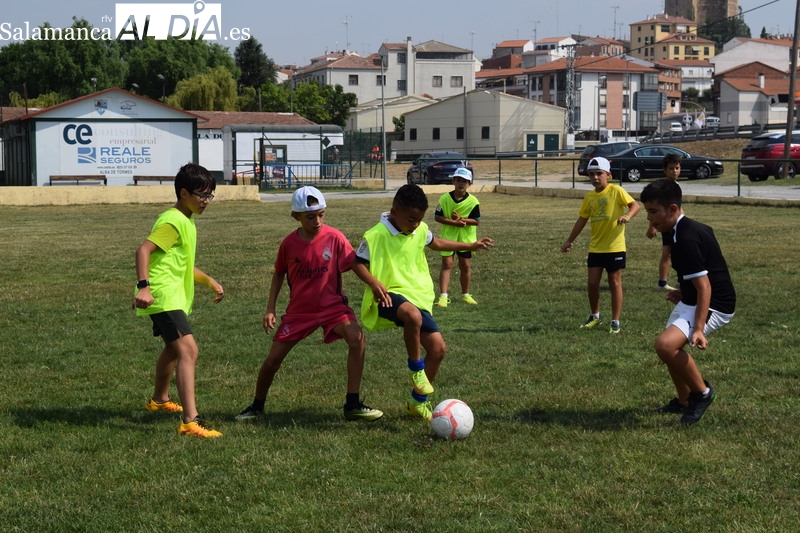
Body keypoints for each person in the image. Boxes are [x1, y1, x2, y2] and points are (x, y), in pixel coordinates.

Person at [236, 186, 383, 422]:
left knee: (357, 338)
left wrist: (374, 283)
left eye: (321, 215)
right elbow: (279, 273)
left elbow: (355, 264)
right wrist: (270, 309)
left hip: (333, 308)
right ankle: (256, 406)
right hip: (300, 313)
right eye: (310, 217)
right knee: (272, 361)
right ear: (296, 216)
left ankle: (352, 404)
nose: (317, 221)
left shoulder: (335, 237)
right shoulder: (288, 244)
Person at [351, 184, 494, 420]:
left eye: (419, 219)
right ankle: (416, 369)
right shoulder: (375, 235)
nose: (416, 224)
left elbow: (437, 243)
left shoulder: (420, 229)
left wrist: (470, 245)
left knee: (438, 350)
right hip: (387, 294)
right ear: (394, 211)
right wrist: (374, 283)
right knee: (412, 316)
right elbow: (356, 263)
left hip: (417, 296)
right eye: (411, 219)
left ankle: (417, 403)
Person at [134, 163, 225, 438]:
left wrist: (208, 281)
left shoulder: (186, 220)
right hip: (162, 297)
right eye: (202, 195)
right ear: (183, 193)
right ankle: (190, 421)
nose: (206, 201)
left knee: (174, 349)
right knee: (189, 351)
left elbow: (181, 264)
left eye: (209, 196)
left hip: (171, 297)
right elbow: (143, 250)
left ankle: (159, 400)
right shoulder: (173, 221)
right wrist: (144, 288)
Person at [640, 179, 735, 425]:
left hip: (714, 303)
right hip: (694, 297)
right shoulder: (675, 230)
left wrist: (699, 329)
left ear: (672, 209)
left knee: (665, 345)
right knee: (669, 350)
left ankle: (702, 393)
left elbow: (705, 286)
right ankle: (684, 401)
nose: (649, 218)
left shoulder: (687, 238)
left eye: (653, 211)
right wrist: (684, 292)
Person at [560, 156, 640, 334]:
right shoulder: (589, 197)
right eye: (591, 174)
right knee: (592, 283)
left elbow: (635, 205)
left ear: (608, 175)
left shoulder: (616, 190)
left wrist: (627, 216)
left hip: (614, 247)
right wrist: (569, 240)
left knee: (614, 283)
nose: (595, 177)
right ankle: (595, 316)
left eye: (599, 173)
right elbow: (582, 219)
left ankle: (615, 321)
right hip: (596, 248)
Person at [435, 167, 482, 307]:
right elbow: (437, 217)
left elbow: (476, 221)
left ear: (470, 184)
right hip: (448, 236)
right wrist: (454, 222)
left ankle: (465, 295)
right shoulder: (444, 198)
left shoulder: (473, 201)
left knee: (465, 266)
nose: (461, 183)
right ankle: (443, 296)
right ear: (453, 181)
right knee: (447, 264)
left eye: (464, 181)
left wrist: (462, 220)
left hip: (465, 238)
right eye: (458, 180)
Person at [646, 153, 681, 292]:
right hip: (668, 226)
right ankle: (662, 283)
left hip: (677, 225)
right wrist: (652, 226)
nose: (675, 171)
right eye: (671, 168)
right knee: (667, 254)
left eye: (677, 168)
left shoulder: (676, 185)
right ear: (665, 170)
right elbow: (655, 209)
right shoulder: (663, 188)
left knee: (679, 252)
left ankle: (681, 280)